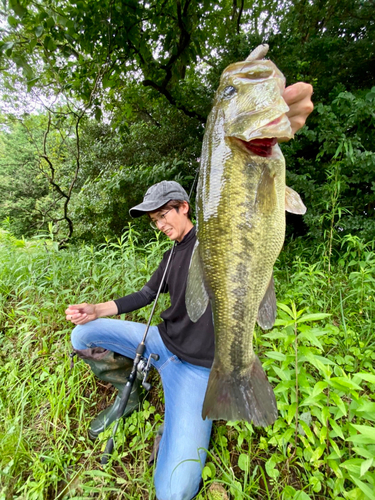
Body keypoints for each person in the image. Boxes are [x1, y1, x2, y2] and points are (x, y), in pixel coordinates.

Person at [66, 83, 313, 500]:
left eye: (165, 214)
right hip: (161, 341)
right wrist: (97, 308)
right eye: (153, 221)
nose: (161, 224)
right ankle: (135, 385)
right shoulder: (172, 254)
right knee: (81, 335)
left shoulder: (212, 239)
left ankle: (187, 412)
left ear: (185, 206)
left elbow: (246, 211)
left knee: (174, 491)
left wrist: (269, 126)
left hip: (198, 369)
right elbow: (146, 295)